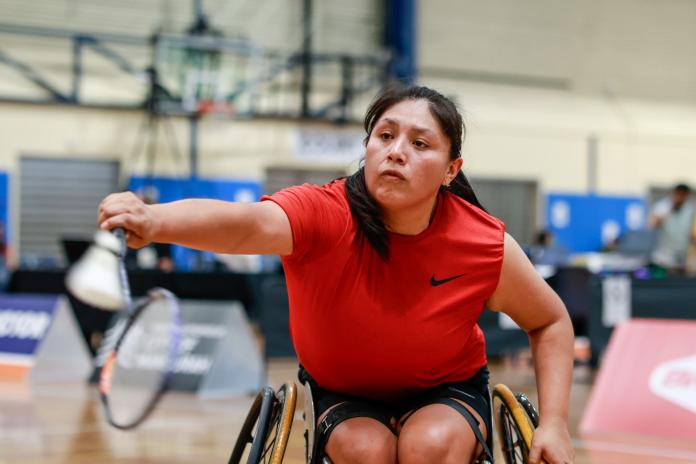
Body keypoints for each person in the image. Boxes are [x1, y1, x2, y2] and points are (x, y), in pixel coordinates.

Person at [98, 85, 574, 464]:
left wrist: (554, 423)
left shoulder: (482, 242)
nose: (396, 151)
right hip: (343, 391)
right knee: (369, 453)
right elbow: (246, 226)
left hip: (444, 389)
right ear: (367, 146)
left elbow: (550, 322)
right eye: (385, 136)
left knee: (428, 449)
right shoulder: (322, 212)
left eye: (420, 143)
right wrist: (156, 220)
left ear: (452, 169)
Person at [649, 183, 695, 272]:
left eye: (683, 195)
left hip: (683, 256)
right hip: (663, 256)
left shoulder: (690, 209)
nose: (680, 197)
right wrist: (670, 211)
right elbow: (652, 224)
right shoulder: (663, 206)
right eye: (678, 194)